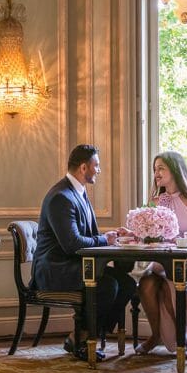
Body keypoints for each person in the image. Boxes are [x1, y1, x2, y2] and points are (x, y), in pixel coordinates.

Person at [32, 144, 136, 361]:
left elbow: (88, 237)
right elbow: (72, 244)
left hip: (73, 265)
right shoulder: (61, 197)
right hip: (56, 269)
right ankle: (82, 340)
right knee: (108, 286)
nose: (99, 170)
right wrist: (106, 240)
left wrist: (113, 236)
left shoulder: (78, 192)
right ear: (83, 167)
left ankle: (83, 335)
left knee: (126, 283)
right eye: (96, 165)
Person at [135, 151, 187, 357]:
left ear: (175, 170)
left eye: (161, 169)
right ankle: (155, 335)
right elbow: (148, 235)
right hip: (159, 262)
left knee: (172, 286)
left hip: (186, 265)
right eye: (155, 169)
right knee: (146, 284)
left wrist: (185, 241)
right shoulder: (156, 201)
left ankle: (182, 339)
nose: (156, 173)